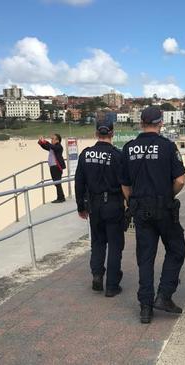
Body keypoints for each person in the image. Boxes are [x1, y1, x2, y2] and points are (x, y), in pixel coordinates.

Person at [121, 106, 185, 324]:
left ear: (141, 123)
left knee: (145, 258)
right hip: (164, 208)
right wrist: (168, 196)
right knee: (176, 249)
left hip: (140, 209)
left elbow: (125, 184)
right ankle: (164, 295)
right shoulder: (167, 147)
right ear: (161, 123)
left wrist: (133, 202)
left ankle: (145, 307)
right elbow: (180, 181)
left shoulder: (129, 148)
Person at [75, 119, 125, 298]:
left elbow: (79, 182)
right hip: (113, 204)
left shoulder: (85, 154)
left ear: (96, 133)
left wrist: (81, 206)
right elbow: (125, 183)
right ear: (112, 133)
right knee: (115, 244)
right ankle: (112, 285)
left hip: (94, 205)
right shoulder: (118, 155)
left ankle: (97, 275)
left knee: (97, 241)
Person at [38, 134, 66, 203]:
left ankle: (61, 198)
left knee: (57, 183)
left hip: (56, 167)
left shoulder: (59, 146)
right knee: (56, 183)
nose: (51, 140)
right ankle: (60, 197)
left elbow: (52, 146)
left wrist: (44, 141)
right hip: (53, 167)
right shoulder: (52, 147)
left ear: (57, 140)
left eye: (53, 139)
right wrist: (41, 142)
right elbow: (45, 146)